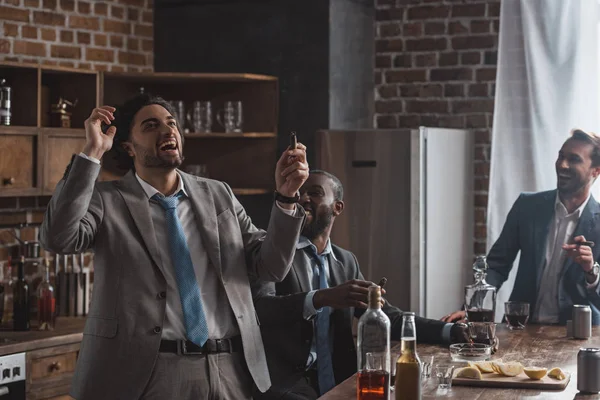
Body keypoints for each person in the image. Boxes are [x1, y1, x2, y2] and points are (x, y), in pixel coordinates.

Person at [39, 94, 309, 400]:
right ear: (128, 146)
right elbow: (57, 238)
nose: (168, 132)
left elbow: (270, 267)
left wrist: (286, 199)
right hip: (147, 373)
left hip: (229, 369)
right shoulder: (106, 200)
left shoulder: (218, 194)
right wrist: (91, 153)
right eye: (151, 126)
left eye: (172, 124)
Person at [251, 170, 469, 399]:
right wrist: (320, 298)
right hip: (286, 387)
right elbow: (261, 309)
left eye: (314, 193)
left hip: (342, 380)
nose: (304, 199)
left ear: (337, 207)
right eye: (300, 193)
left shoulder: (346, 261)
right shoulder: (273, 253)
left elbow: (389, 316)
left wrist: (450, 331)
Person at [442, 129, 600, 326]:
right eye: (561, 156)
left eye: (574, 159)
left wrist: (590, 271)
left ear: (596, 171)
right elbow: (497, 265)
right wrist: (471, 309)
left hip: (576, 335)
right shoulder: (527, 206)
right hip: (520, 326)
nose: (562, 164)